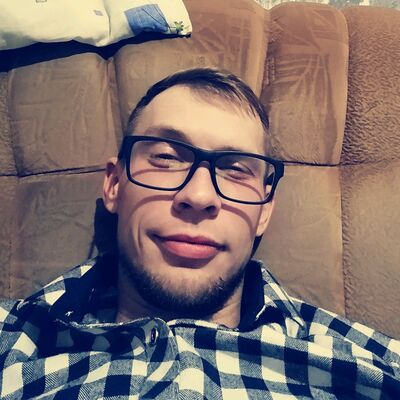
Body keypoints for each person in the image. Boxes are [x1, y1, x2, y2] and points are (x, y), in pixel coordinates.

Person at [0, 68, 399, 399]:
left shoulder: (372, 365)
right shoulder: (14, 339)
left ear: (264, 211)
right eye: (165, 157)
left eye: (236, 169)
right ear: (115, 185)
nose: (198, 196)